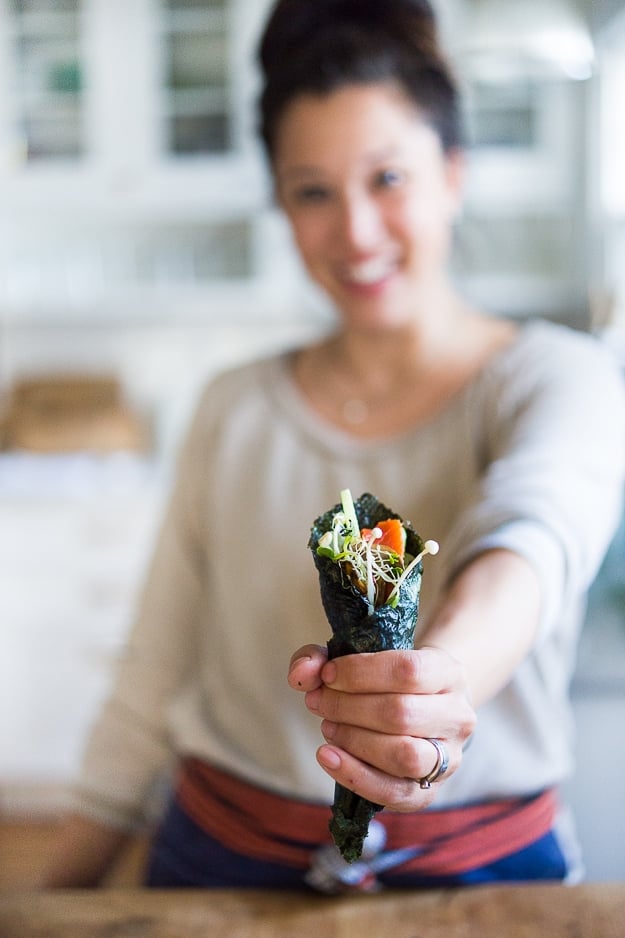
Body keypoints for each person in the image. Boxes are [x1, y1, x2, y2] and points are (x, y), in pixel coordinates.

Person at [40, 0, 625, 891]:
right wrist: (48, 902)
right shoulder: (229, 408)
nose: (353, 231)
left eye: (387, 178)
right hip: (218, 857)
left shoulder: (559, 379)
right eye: (313, 190)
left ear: (453, 174)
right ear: (280, 202)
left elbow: (530, 542)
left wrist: (436, 688)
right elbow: (152, 675)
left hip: (484, 874)